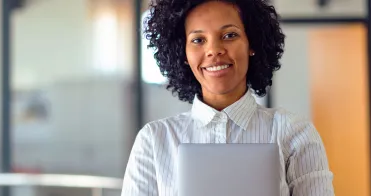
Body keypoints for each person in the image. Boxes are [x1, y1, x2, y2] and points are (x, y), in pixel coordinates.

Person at [121, 0, 334, 195]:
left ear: (252, 43)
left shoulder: (295, 134)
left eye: (229, 35)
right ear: (182, 53)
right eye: (198, 39)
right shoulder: (153, 140)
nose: (214, 50)